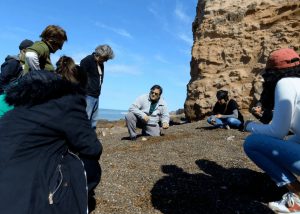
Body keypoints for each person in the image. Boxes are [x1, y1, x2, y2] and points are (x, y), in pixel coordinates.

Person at [0, 56, 102, 214]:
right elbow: (92, 148)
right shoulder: (69, 100)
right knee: (88, 165)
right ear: (80, 87)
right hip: (19, 195)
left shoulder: (29, 99)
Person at [243, 47, 300, 213]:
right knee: (288, 143)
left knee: (252, 143)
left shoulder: (285, 83)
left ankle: (297, 194)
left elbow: (277, 132)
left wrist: (248, 126)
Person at [80, 44, 114, 129]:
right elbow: (80, 78)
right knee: (85, 120)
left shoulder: (101, 63)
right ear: (100, 55)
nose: (106, 61)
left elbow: (99, 79)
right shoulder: (87, 60)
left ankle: (91, 140)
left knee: (93, 122)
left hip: (96, 95)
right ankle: (82, 140)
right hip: (87, 95)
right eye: (105, 58)